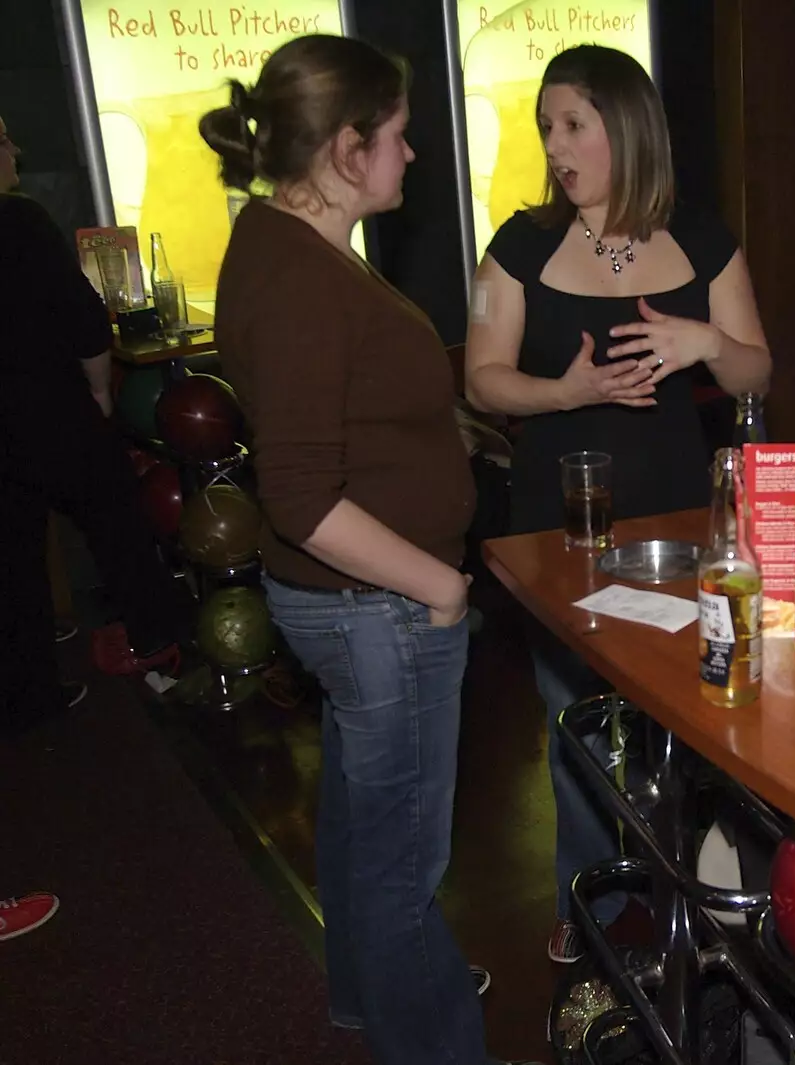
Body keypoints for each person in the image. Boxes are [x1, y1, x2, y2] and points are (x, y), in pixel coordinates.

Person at [201, 37, 535, 1065]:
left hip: (348, 606)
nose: (412, 156)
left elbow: (335, 421)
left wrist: (440, 438)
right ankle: (430, 1035)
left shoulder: (278, 238)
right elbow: (300, 497)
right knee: (402, 869)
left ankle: (367, 990)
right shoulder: (300, 278)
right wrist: (440, 582)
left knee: (358, 823)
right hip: (377, 607)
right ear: (346, 148)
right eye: (396, 135)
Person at [464, 44, 771, 963]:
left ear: (626, 129)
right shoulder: (517, 245)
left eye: (572, 125)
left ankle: (693, 894)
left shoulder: (704, 240)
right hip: (561, 526)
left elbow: (758, 370)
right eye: (545, 128)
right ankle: (588, 899)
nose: (554, 146)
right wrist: (567, 392)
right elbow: (483, 381)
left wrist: (703, 339)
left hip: (680, 521)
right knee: (580, 726)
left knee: (689, 714)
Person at [0, 114, 188, 736]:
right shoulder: (21, 220)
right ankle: (158, 638)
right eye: (4, 138)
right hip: (48, 410)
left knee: (13, 559)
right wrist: (103, 394)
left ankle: (31, 693)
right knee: (117, 522)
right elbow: (83, 321)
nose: (16, 147)